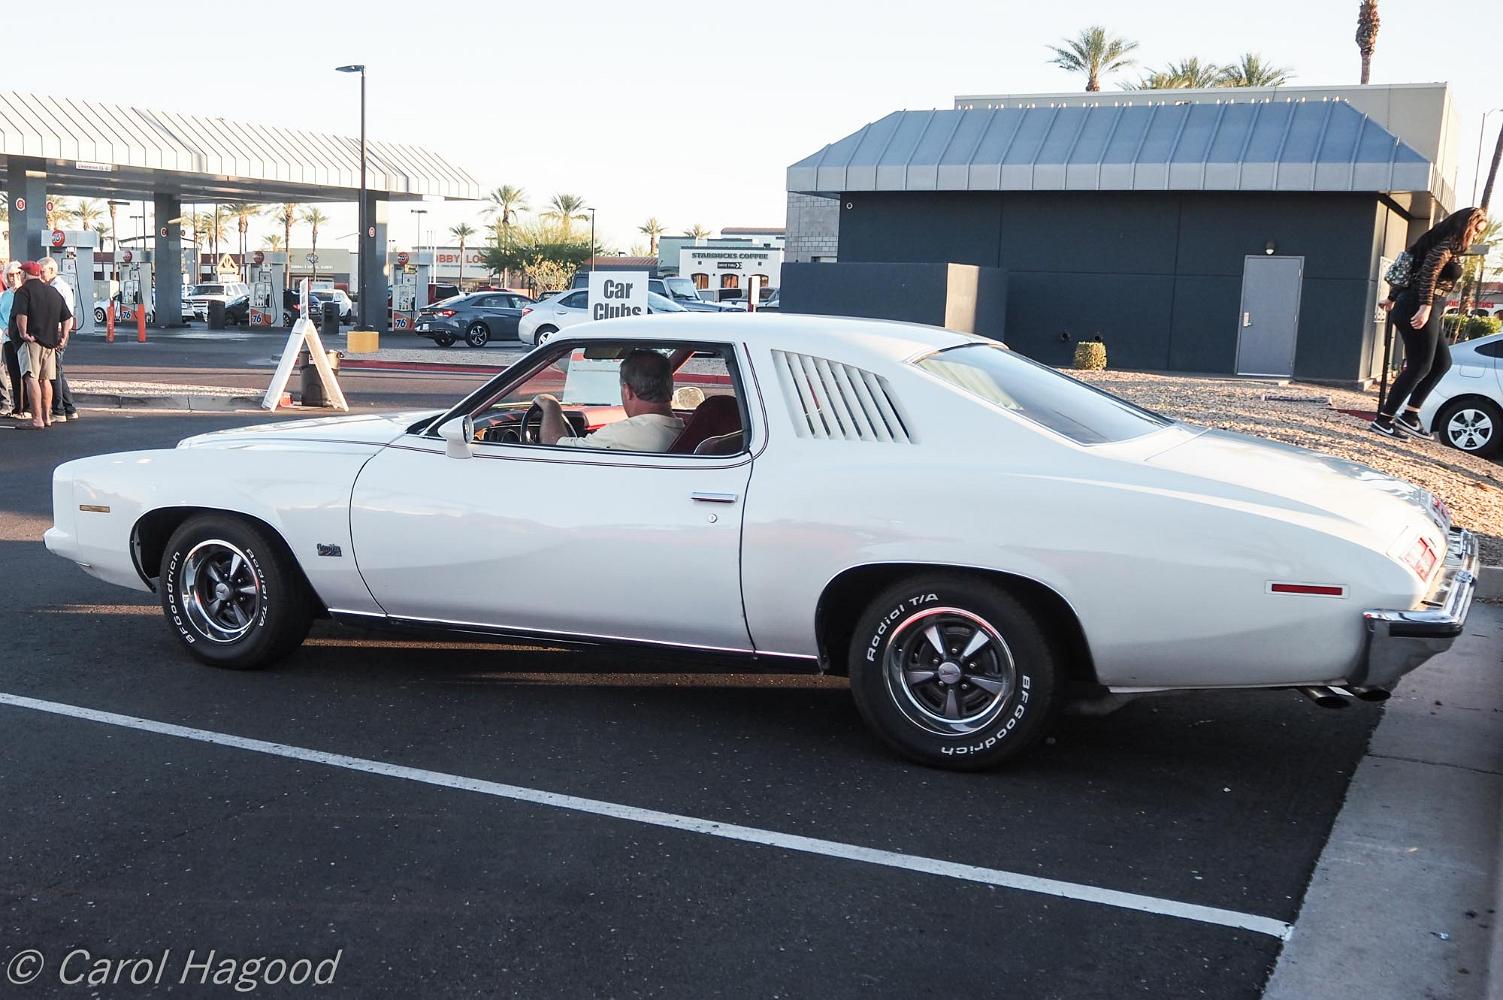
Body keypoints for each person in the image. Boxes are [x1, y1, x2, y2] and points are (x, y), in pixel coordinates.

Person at [1372, 206, 1487, 439]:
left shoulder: (1435, 241)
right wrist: (1425, 307)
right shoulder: (1448, 243)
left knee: (1442, 362)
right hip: (1420, 304)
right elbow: (1428, 273)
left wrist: (1392, 297)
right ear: (1466, 225)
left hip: (1420, 304)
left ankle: (1410, 415)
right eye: (1476, 230)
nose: (1476, 235)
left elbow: (1411, 272)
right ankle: (1383, 420)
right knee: (1420, 365)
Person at [535, 349, 684, 451]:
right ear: (670, 389)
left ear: (627, 391)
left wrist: (550, 405)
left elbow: (555, 446)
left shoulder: (622, 434)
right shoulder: (681, 429)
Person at [13, 261, 73, 430]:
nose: (20, 276)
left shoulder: (23, 291)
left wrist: (23, 333)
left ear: (25, 274)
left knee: (30, 377)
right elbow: (67, 317)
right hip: (50, 343)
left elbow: (21, 315)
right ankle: (46, 417)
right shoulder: (52, 291)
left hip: (31, 342)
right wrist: (64, 336)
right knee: (45, 379)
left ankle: (36, 419)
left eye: (20, 273)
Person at [40, 257, 78, 422]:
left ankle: (59, 411)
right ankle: (69, 408)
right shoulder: (59, 286)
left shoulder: (56, 288)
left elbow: (66, 315)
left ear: (51, 270)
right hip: (59, 332)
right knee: (58, 371)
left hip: (56, 332)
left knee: (53, 372)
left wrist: (63, 335)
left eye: (42, 271)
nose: (40, 275)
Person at [0, 261, 21, 417]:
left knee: (25, 374)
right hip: (8, 338)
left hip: (22, 338)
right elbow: (0, 315)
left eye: (17, 274)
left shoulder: (24, 293)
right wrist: (5, 328)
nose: (14, 277)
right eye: (10, 275)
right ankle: (17, 407)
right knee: (13, 373)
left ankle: (26, 407)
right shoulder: (5, 295)